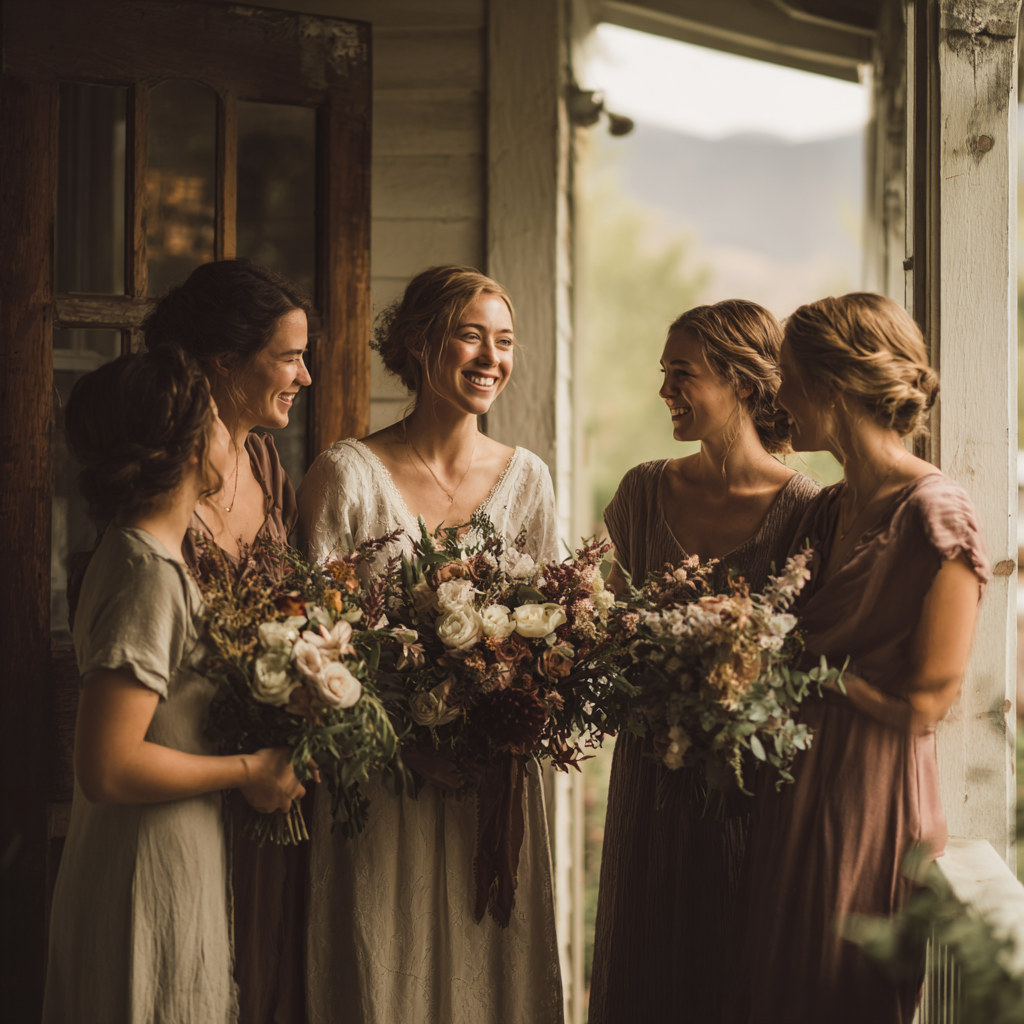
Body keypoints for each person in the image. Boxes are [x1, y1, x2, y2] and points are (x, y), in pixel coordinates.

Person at [297, 265, 564, 1024]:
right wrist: (408, 748)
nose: (491, 358)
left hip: (493, 788)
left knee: (493, 974)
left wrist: (509, 721)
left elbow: (555, 631)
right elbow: (316, 647)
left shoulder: (529, 480)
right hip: (384, 786)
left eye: (504, 342)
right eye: (470, 336)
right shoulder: (345, 475)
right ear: (417, 345)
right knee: (386, 963)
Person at [722, 293, 989, 1024]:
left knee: (840, 992)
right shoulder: (822, 510)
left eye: (788, 377)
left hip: (872, 791)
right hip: (792, 786)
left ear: (833, 390)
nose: (777, 395)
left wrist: (806, 679)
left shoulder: (935, 512)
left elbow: (929, 703)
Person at [42, 348, 305, 1024]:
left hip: (169, 853)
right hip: (143, 871)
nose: (231, 437)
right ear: (188, 445)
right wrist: (252, 769)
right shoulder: (146, 573)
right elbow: (107, 765)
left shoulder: (148, 557)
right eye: (216, 419)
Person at [589, 300, 820, 1024]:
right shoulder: (640, 493)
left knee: (734, 972)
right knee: (645, 964)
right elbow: (610, 634)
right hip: (648, 778)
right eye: (664, 374)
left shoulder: (808, 508)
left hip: (748, 791)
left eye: (681, 375)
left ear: (743, 384)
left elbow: (807, 664)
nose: (665, 391)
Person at [140, 257, 313, 1024]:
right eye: (289, 356)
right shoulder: (157, 482)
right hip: (187, 769)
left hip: (268, 775)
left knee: (268, 971)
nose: (304, 376)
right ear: (225, 363)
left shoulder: (268, 466)